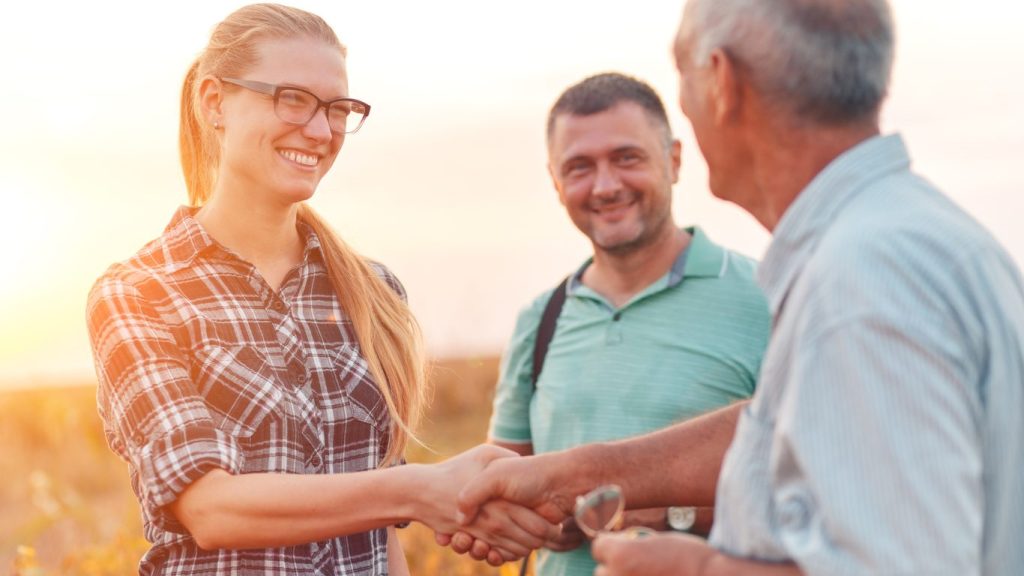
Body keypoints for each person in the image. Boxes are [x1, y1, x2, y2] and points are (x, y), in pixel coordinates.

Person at [454, 0, 1024, 574]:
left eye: (682, 75)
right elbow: (782, 426)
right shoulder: (907, 237)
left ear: (722, 81)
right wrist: (578, 473)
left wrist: (704, 569)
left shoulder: (861, 281)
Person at [85, 4, 554, 574]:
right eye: (292, 98)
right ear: (214, 102)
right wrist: (421, 490)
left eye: (337, 108)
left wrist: (426, 493)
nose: (320, 129)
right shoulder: (139, 294)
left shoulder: (374, 291)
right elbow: (211, 509)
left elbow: (380, 536)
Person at [486, 72, 770, 576]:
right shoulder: (541, 319)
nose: (605, 185)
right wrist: (518, 518)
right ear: (555, 182)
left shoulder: (769, 296)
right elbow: (501, 481)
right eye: (579, 167)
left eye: (626, 158)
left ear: (675, 160)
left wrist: (665, 513)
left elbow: (825, 485)